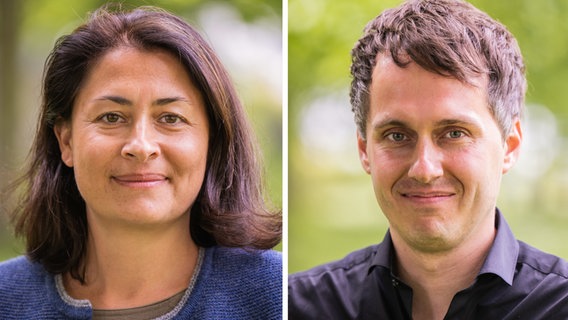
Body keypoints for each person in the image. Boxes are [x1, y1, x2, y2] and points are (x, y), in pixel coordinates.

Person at [288, 0, 568, 319]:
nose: (424, 169)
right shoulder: (298, 306)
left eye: (454, 133)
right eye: (397, 135)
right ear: (364, 149)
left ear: (510, 145)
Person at [0, 4, 282, 319]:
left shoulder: (275, 295)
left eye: (171, 118)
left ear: (211, 142)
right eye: (111, 117)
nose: (141, 146)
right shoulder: (5, 297)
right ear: (66, 141)